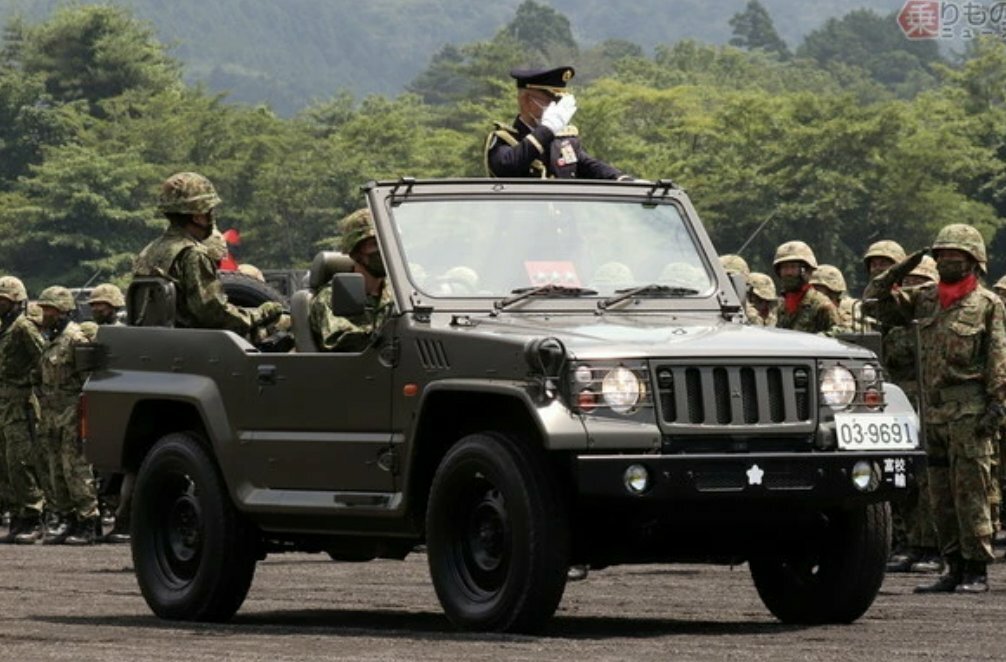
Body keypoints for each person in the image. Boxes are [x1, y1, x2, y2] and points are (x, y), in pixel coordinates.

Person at [866, 224, 1006, 593]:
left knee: (971, 493)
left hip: (970, 413)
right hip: (932, 414)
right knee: (938, 496)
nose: (947, 261)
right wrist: (906, 264)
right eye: (941, 254)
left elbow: (998, 358)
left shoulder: (987, 305)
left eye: (955, 255)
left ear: (973, 261)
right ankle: (952, 566)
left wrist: (996, 405)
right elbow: (875, 300)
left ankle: (976, 569)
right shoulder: (925, 299)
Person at [133, 172, 282, 334]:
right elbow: (214, 315)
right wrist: (261, 314)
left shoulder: (149, 251)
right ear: (198, 216)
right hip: (194, 342)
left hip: (157, 340)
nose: (212, 216)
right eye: (210, 211)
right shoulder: (192, 255)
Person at [32, 286, 101, 545]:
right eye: (43, 308)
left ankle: (87, 521)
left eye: (50, 309)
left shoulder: (76, 339)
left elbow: (89, 381)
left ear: (63, 311)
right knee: (56, 468)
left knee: (76, 468)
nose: (45, 313)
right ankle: (66, 518)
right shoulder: (49, 338)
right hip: (51, 413)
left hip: (73, 411)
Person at [484, 66, 630, 180]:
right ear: (527, 100)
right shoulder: (503, 140)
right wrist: (546, 129)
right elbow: (506, 167)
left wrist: (624, 180)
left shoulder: (564, 141)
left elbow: (592, 167)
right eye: (551, 101)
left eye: (559, 102)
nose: (557, 108)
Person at [0, 276, 46, 544]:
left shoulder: (23, 327)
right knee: (6, 463)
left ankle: (33, 515)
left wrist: (33, 383)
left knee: (21, 461)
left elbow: (43, 357)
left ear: (17, 302)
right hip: (4, 401)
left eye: (4, 300)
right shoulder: (5, 327)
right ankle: (17, 514)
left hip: (20, 401)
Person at [309, 209, 394, 352]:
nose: (384, 251)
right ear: (355, 253)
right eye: (375, 244)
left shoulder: (399, 294)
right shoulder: (332, 296)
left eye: (388, 243)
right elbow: (342, 341)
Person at [771, 241, 839, 334]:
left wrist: (817, 339)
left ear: (806, 270)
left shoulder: (821, 306)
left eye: (793, 267)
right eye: (784, 268)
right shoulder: (782, 306)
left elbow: (838, 334)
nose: (788, 273)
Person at [809, 264, 864, 331]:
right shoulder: (806, 311)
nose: (815, 296)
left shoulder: (851, 310)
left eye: (818, 291)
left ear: (834, 294)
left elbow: (854, 329)